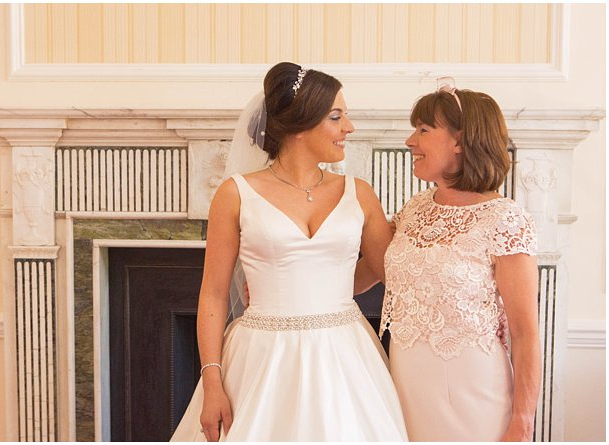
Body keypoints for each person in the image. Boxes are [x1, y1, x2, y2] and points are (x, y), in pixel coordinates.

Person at [170, 62, 408, 441]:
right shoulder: (234, 194)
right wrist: (212, 380)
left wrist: (427, 220)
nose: (350, 127)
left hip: (345, 356)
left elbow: (391, 271)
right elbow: (213, 293)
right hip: (263, 355)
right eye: (336, 117)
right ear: (300, 125)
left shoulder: (359, 192)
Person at [356, 82, 541, 441]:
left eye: (424, 130)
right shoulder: (414, 210)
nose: (411, 141)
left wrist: (523, 420)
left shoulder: (506, 220)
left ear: (460, 140)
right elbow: (360, 278)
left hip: (474, 395)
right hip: (404, 388)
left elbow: (524, 333)